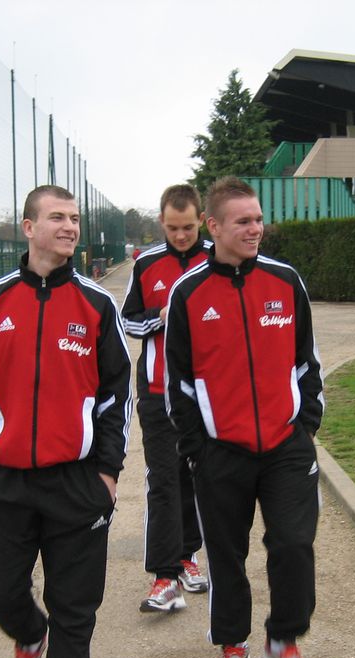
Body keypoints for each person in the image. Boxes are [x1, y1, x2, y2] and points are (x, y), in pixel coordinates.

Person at [0, 184, 132, 658]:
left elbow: (115, 395)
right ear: (27, 227)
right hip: (3, 482)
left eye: (75, 218)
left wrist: (107, 473)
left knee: (76, 605)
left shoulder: (95, 305)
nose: (69, 226)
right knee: (0, 591)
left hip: (76, 482)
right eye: (57, 217)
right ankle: (29, 634)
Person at [163, 176, 324, 658]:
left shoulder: (284, 281)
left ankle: (285, 639)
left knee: (295, 544)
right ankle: (233, 642)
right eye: (244, 221)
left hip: (285, 446)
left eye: (258, 219)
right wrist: (198, 449)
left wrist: (306, 423)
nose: (256, 229)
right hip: (220, 452)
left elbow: (307, 360)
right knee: (227, 554)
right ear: (214, 226)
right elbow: (178, 383)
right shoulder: (188, 294)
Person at [121, 184, 211, 612]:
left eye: (188, 227)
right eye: (173, 228)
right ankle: (163, 576)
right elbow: (128, 322)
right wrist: (158, 320)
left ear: (202, 219)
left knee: (196, 478)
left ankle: (189, 556)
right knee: (162, 480)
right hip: (157, 392)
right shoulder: (146, 264)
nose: (180, 236)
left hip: (205, 396)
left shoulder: (216, 259)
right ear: (161, 221)